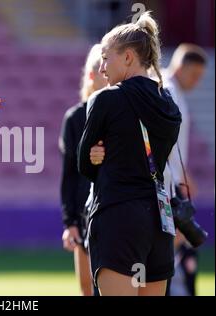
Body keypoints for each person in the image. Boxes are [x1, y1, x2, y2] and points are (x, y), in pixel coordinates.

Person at [78, 12, 181, 296]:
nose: (101, 68)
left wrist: (97, 156)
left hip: (118, 216)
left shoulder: (105, 99)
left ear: (128, 57)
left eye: (106, 58)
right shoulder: (169, 103)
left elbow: (85, 164)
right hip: (161, 221)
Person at [59, 44, 107, 296]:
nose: (107, 73)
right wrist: (70, 222)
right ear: (91, 75)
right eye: (102, 69)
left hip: (116, 211)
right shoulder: (75, 118)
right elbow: (68, 175)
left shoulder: (124, 112)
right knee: (87, 289)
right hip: (85, 215)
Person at [163, 43, 207, 296]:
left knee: (180, 236)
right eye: (195, 75)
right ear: (180, 66)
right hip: (169, 182)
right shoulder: (169, 90)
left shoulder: (174, 90)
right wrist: (179, 176)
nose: (197, 82)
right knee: (178, 236)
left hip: (175, 179)